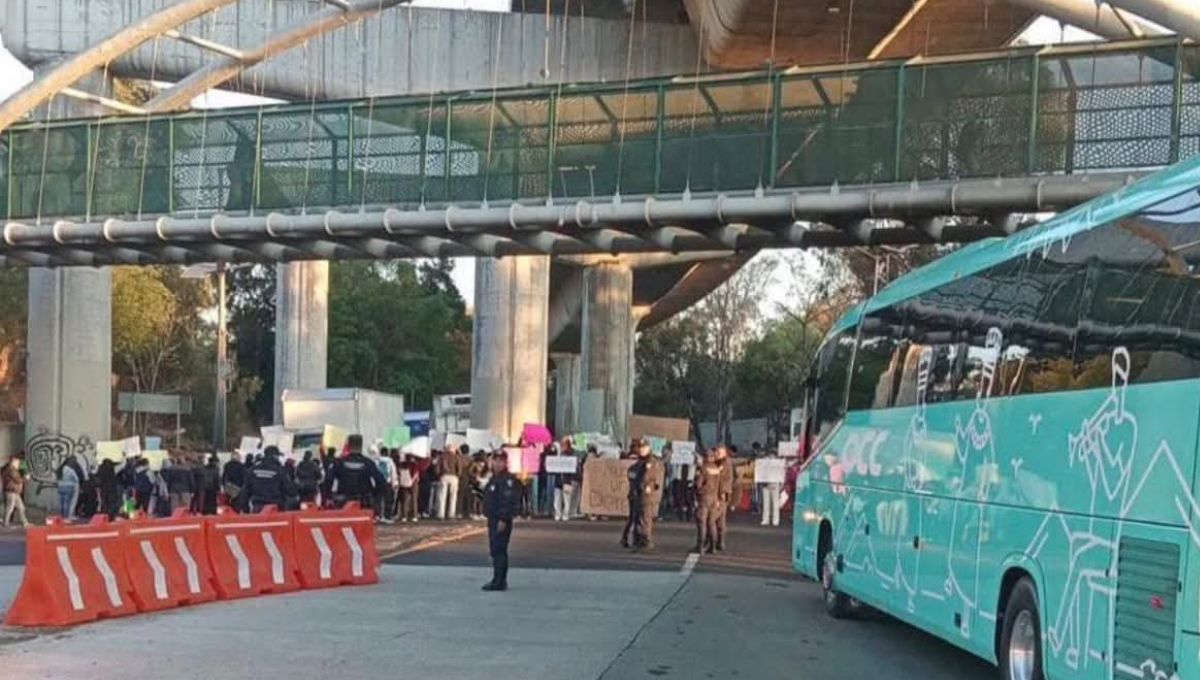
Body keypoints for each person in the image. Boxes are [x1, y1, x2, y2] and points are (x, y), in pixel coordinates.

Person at [481, 452, 520, 592]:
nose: (497, 464)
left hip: (500, 519)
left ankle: (499, 580)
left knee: (499, 549)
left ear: (505, 463)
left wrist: (503, 518)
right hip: (493, 518)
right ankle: (498, 578)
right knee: (495, 550)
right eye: (495, 461)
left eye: (500, 461)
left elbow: (507, 500)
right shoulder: (495, 478)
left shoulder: (507, 480)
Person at [330, 435, 386, 510]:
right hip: (364, 503)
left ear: (349, 445)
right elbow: (381, 481)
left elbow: (328, 479)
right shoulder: (368, 463)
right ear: (361, 445)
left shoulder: (339, 463)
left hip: (343, 502)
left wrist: (329, 496)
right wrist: (374, 494)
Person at [629, 442, 664, 550]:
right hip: (639, 493)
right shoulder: (641, 462)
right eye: (640, 448)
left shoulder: (651, 462)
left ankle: (646, 540)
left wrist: (646, 487)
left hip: (647, 495)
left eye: (643, 448)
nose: (641, 450)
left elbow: (649, 478)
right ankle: (639, 540)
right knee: (640, 517)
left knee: (645, 518)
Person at [242, 446, 297, 513]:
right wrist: (297, 486)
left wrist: (245, 509)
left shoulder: (252, 470)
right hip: (276, 509)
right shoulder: (280, 471)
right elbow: (290, 490)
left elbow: (245, 492)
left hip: (258, 509)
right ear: (275, 456)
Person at [693, 448, 723, 553]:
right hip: (714, 498)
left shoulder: (703, 469)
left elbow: (698, 484)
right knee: (711, 522)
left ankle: (700, 545)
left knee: (702, 522)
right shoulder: (716, 469)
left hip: (704, 498)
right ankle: (713, 546)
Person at [714, 445, 734, 551]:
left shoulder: (725, 463)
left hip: (721, 493)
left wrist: (723, 492)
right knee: (719, 518)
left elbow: (726, 480)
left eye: (719, 453)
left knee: (717, 518)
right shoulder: (721, 462)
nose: (716, 454)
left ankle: (718, 541)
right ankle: (718, 541)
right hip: (718, 492)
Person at [2, 456, 29, 527]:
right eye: (17, 463)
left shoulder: (12, 469)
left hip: (15, 492)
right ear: (13, 462)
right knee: (10, 507)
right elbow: (18, 480)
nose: (18, 464)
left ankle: (25, 522)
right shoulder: (11, 470)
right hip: (11, 491)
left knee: (21, 507)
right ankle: (6, 522)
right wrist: (26, 478)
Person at [758, 448, 782, 527]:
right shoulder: (778, 462)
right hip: (772, 484)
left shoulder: (765, 461)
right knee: (774, 503)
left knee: (767, 503)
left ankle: (766, 520)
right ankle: (774, 520)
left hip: (768, 483)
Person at [436, 445, 462, 519]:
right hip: (454, 477)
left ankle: (441, 514)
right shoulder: (456, 457)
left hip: (444, 476)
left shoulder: (442, 457)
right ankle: (451, 514)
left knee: (442, 496)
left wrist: (439, 475)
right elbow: (459, 469)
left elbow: (437, 469)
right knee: (453, 497)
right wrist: (457, 475)